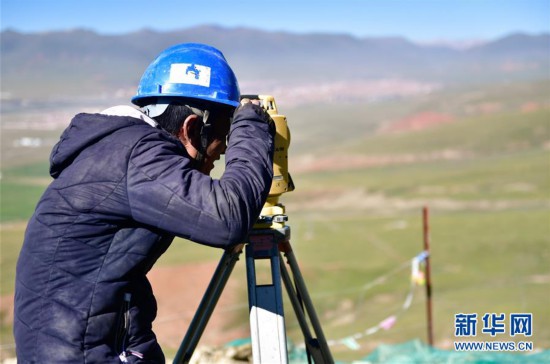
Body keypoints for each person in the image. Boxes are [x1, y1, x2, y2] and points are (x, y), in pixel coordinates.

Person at [13, 43, 275, 363]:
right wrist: (252, 127)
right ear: (192, 129)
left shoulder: (117, 151)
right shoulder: (135, 156)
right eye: (223, 141)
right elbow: (227, 219)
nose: (220, 157)